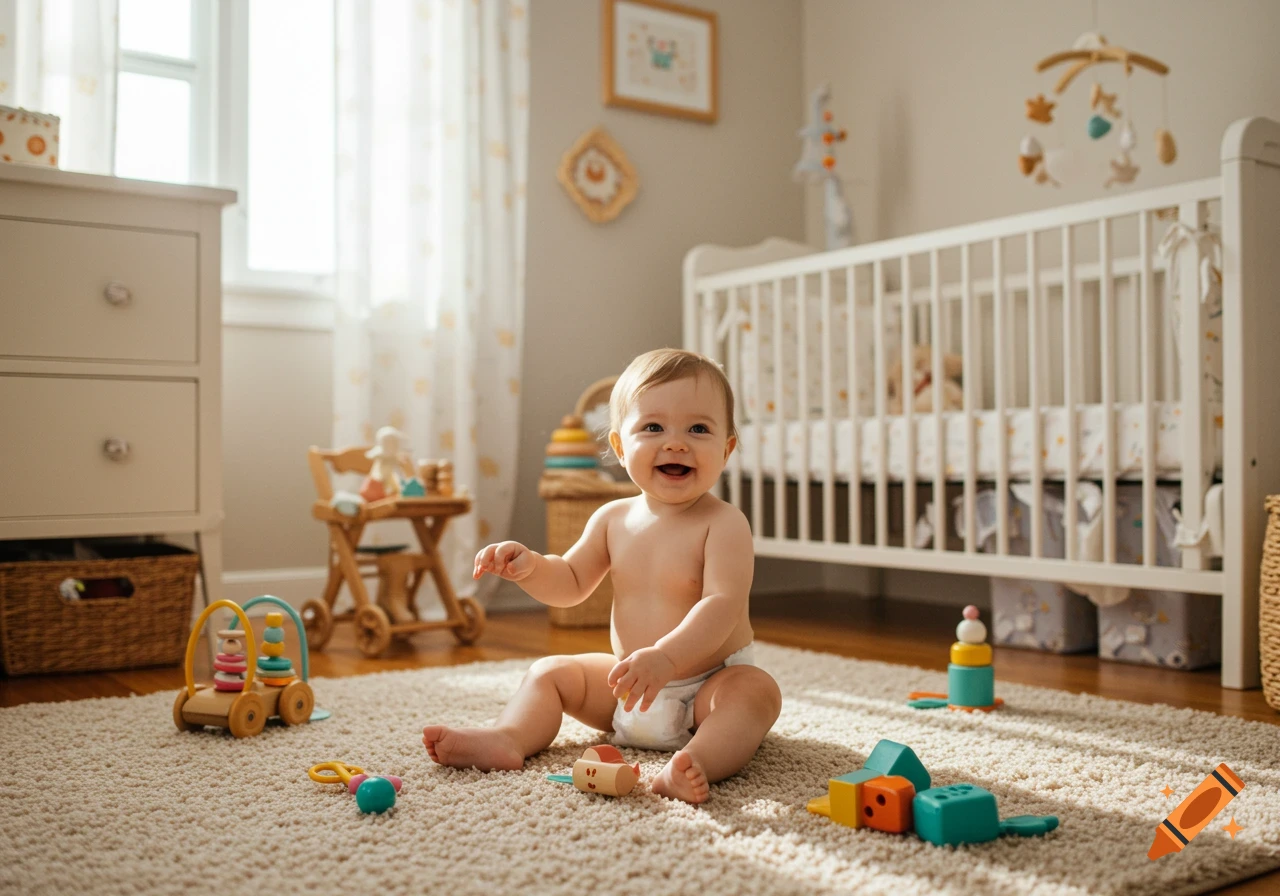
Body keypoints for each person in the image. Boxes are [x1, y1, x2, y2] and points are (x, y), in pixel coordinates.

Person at [422, 348, 782, 804]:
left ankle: (696, 762)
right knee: (550, 672)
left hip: (706, 689)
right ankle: (509, 736)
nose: (675, 443)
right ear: (618, 446)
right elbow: (571, 581)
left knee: (756, 693)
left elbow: (722, 606)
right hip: (627, 688)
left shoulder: (724, 523)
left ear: (726, 449)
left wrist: (667, 659)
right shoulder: (612, 518)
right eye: (653, 427)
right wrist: (531, 566)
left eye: (698, 429)